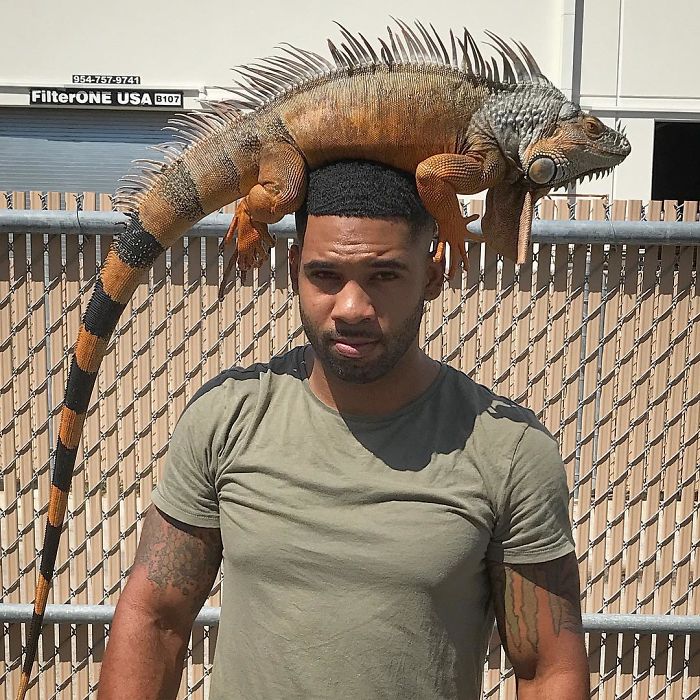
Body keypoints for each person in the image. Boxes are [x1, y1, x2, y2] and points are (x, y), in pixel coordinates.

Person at [97, 160, 589, 699]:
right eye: (326, 276)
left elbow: (547, 667)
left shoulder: (507, 449)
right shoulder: (227, 417)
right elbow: (156, 620)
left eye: (384, 275)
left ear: (432, 274)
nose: (352, 308)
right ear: (294, 271)